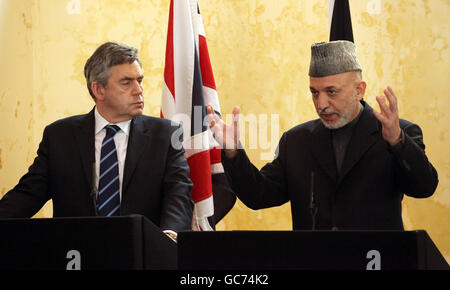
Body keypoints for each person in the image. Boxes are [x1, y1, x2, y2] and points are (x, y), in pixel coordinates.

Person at [207, 40, 438, 230]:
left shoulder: (399, 133)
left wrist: (397, 142)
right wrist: (233, 152)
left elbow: (424, 187)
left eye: (331, 92)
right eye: (314, 93)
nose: (321, 104)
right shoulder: (296, 141)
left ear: (359, 90)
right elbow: (259, 195)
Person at [0, 42, 194, 239]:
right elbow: (28, 194)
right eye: (126, 82)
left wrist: (169, 236)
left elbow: (179, 192)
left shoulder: (166, 134)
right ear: (99, 90)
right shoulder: (60, 137)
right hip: (77, 255)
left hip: (143, 253)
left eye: (140, 80)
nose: (138, 90)